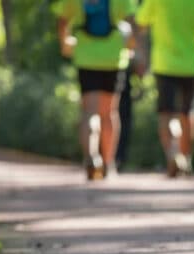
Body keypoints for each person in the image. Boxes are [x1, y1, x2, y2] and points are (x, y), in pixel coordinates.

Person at [135, 0, 194, 178]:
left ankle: (172, 153)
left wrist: (141, 55)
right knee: (188, 112)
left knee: (166, 113)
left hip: (164, 63)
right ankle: (186, 157)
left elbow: (140, 27)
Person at [57, 0, 139, 180]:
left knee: (89, 111)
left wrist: (65, 44)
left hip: (85, 57)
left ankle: (90, 157)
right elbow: (133, 24)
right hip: (113, 57)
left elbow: (63, 21)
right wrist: (132, 47)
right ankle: (108, 163)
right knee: (109, 113)